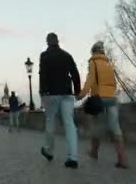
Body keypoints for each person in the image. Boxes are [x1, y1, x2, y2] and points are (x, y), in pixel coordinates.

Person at [78, 41, 129, 169]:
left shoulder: (93, 62)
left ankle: (94, 152)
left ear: (93, 51)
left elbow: (90, 80)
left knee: (96, 126)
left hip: (99, 99)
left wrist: (82, 94)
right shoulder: (109, 64)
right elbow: (114, 83)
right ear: (102, 51)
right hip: (112, 98)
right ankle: (122, 158)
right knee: (115, 128)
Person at [39, 32, 81, 169]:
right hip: (67, 93)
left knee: (50, 121)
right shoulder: (66, 55)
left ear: (47, 42)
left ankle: (49, 151)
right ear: (57, 41)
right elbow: (75, 73)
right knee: (69, 124)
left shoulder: (44, 56)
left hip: (51, 94)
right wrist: (78, 90)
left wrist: (42, 92)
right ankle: (72, 158)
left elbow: (43, 75)